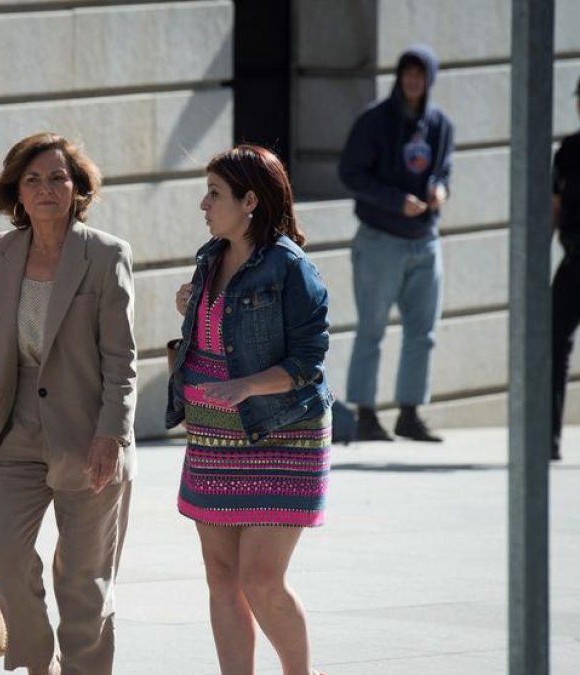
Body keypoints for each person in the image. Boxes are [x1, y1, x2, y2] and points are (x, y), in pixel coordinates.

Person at [0, 133, 137, 675]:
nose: (46, 189)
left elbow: (121, 358)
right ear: (16, 189)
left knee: (84, 582)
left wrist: (112, 434)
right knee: (0, 552)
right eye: (33, 179)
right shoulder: (1, 251)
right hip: (15, 430)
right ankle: (38, 664)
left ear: (77, 187)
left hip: (89, 434)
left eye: (58, 177)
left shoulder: (106, 255)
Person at [166, 145, 332, 675]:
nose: (204, 204)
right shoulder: (210, 257)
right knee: (221, 576)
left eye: (214, 193)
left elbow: (308, 360)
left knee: (261, 579)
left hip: (282, 434)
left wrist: (247, 386)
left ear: (250, 201)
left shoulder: (291, 268)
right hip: (212, 437)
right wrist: (192, 308)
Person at [338, 44, 454, 443]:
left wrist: (440, 191)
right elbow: (350, 173)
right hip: (380, 241)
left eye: (420, 74)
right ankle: (365, 413)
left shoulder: (439, 124)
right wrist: (394, 201)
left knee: (423, 331)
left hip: (425, 241)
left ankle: (410, 412)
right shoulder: (374, 121)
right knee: (372, 329)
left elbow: (444, 171)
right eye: (407, 72)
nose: (413, 80)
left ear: (430, 80)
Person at [551, 75, 580, 462]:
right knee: (552, 346)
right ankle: (548, 439)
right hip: (574, 259)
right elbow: (554, 208)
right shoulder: (569, 152)